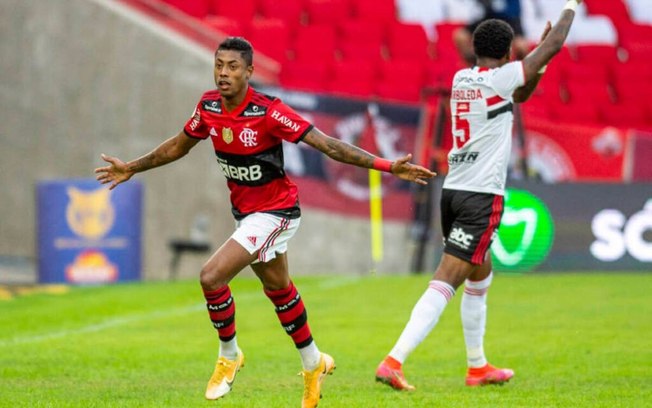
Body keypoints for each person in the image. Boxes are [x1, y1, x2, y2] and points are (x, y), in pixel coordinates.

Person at [94, 37, 435, 407]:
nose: (224, 73)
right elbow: (177, 146)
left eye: (233, 67)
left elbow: (327, 145)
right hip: (247, 214)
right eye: (219, 65)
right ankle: (314, 362)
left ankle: (229, 355)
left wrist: (386, 166)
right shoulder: (208, 106)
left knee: (211, 276)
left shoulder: (269, 111)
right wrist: (131, 167)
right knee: (279, 290)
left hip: (277, 212)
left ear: (249, 72)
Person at [375, 0, 582, 391]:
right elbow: (552, 44)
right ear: (507, 53)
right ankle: (393, 360)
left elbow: (519, 96)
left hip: (452, 191)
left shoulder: (462, 79)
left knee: (480, 272)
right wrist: (570, 8)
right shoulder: (500, 78)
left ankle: (477, 367)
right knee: (447, 279)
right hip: (480, 197)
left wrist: (538, 66)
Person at [454, 0, 530, 66]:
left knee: (521, 46)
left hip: (510, 21)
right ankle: (474, 66)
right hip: (487, 18)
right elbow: (480, 8)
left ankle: (525, 76)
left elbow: (513, 12)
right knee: (461, 36)